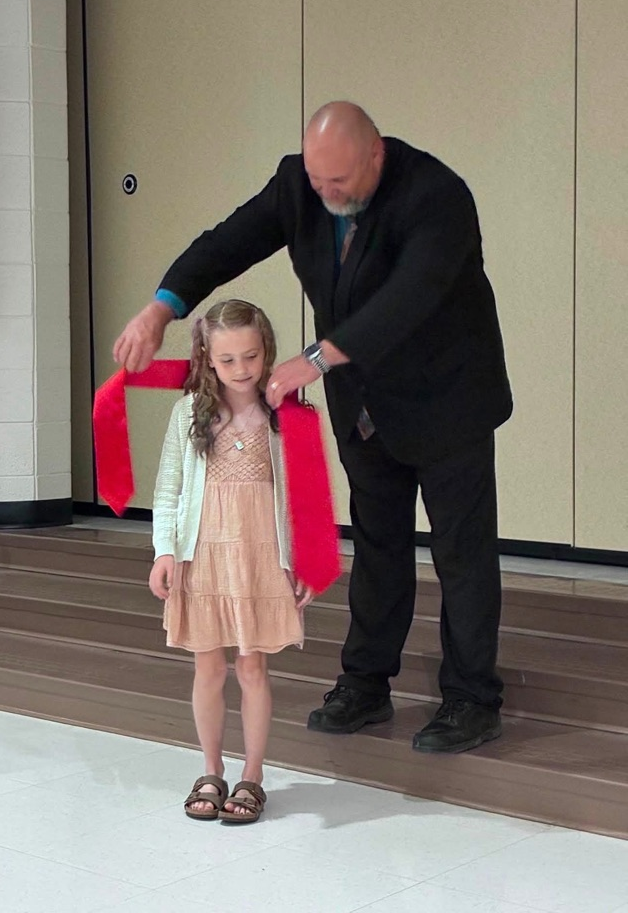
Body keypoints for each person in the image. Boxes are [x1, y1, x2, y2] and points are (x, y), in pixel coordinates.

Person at [115, 101, 513, 754]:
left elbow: (411, 297)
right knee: (377, 542)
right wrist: (164, 306)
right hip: (365, 404)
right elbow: (229, 241)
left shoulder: (436, 195)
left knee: (460, 552)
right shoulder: (299, 184)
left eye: (341, 185)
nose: (327, 196)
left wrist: (315, 359)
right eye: (318, 183)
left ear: (375, 156)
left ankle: (471, 698)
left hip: (448, 396)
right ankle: (365, 682)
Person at [149, 298, 312, 822]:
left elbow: (308, 493)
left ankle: (252, 775)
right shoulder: (187, 413)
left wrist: (310, 558)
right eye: (228, 360)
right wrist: (165, 551)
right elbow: (169, 488)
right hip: (205, 556)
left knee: (253, 665)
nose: (243, 370)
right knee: (208, 666)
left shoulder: (286, 412)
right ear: (206, 358)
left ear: (266, 351)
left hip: (262, 554)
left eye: (252, 356)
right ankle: (212, 769)